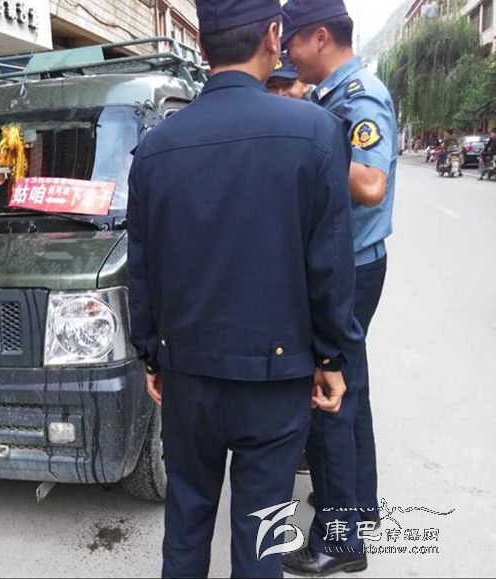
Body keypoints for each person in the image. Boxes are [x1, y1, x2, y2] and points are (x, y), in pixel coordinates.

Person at [127, 1, 362, 576]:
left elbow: (143, 267)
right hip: (275, 381)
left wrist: (151, 353)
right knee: (262, 536)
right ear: (273, 37)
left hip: (188, 373)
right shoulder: (315, 132)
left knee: (186, 521)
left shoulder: (156, 146)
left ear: (202, 46)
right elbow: (330, 266)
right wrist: (331, 358)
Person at [282, 0, 398, 574]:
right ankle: (358, 505)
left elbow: (372, 184)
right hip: (350, 263)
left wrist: (313, 139)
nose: (288, 55)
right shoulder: (331, 98)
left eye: (292, 43)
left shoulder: (359, 98)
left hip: (349, 268)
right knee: (353, 385)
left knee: (328, 393)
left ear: (320, 37)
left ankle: (339, 539)